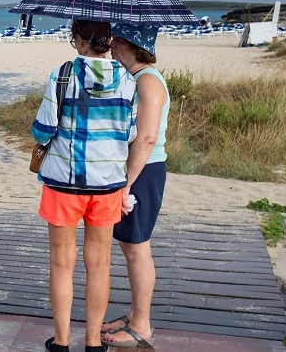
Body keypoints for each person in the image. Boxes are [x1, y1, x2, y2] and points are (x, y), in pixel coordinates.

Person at [32, 19, 137, 352]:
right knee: (100, 264)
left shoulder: (63, 74)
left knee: (62, 263)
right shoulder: (127, 79)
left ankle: (61, 342)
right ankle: (93, 343)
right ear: (107, 41)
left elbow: (43, 129)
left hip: (64, 182)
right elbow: (130, 133)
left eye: (73, 38)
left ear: (79, 40)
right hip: (106, 184)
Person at [101, 23, 168, 349]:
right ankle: (134, 314)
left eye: (117, 41)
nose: (111, 45)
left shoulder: (148, 82)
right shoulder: (136, 79)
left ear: (132, 44)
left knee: (137, 247)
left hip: (143, 170)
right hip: (136, 168)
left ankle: (142, 325)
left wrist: (126, 184)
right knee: (130, 246)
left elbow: (146, 138)